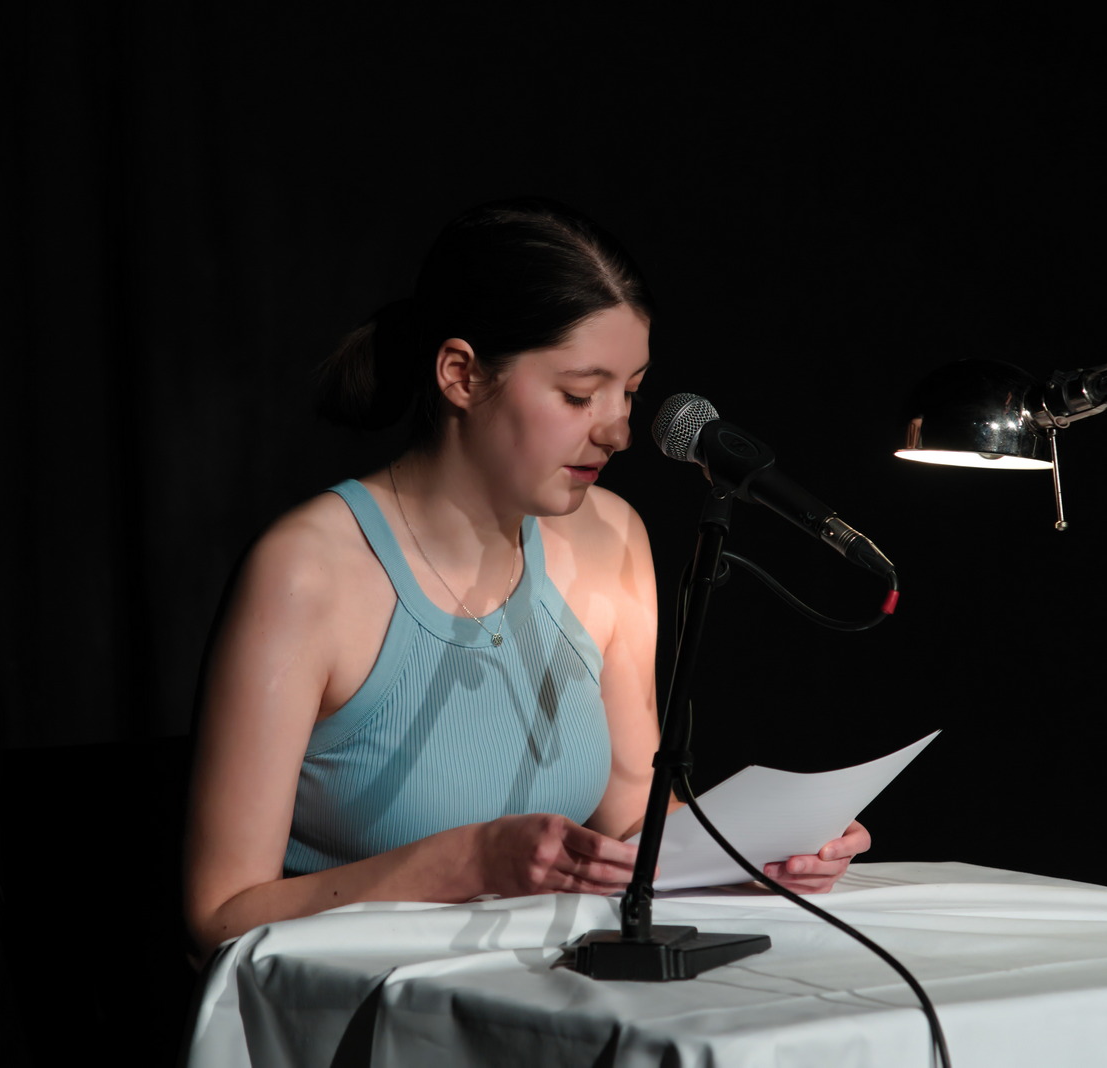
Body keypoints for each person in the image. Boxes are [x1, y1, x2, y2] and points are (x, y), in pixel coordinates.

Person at [182, 199, 869, 955]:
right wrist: (466, 863)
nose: (617, 430)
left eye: (630, 392)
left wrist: (757, 853)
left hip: (554, 989)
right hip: (368, 1000)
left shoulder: (611, 537)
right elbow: (220, 915)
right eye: (578, 394)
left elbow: (633, 820)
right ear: (461, 374)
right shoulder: (306, 571)